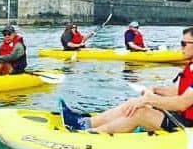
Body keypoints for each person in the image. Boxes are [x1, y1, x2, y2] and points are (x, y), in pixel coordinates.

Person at [60, 26, 193, 133]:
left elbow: (181, 103)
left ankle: (92, 135)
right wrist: (155, 89)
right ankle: (85, 123)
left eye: (183, 44)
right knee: (132, 104)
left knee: (140, 112)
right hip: (180, 117)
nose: (180, 47)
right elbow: (179, 91)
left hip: (186, 124)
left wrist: (148, 99)